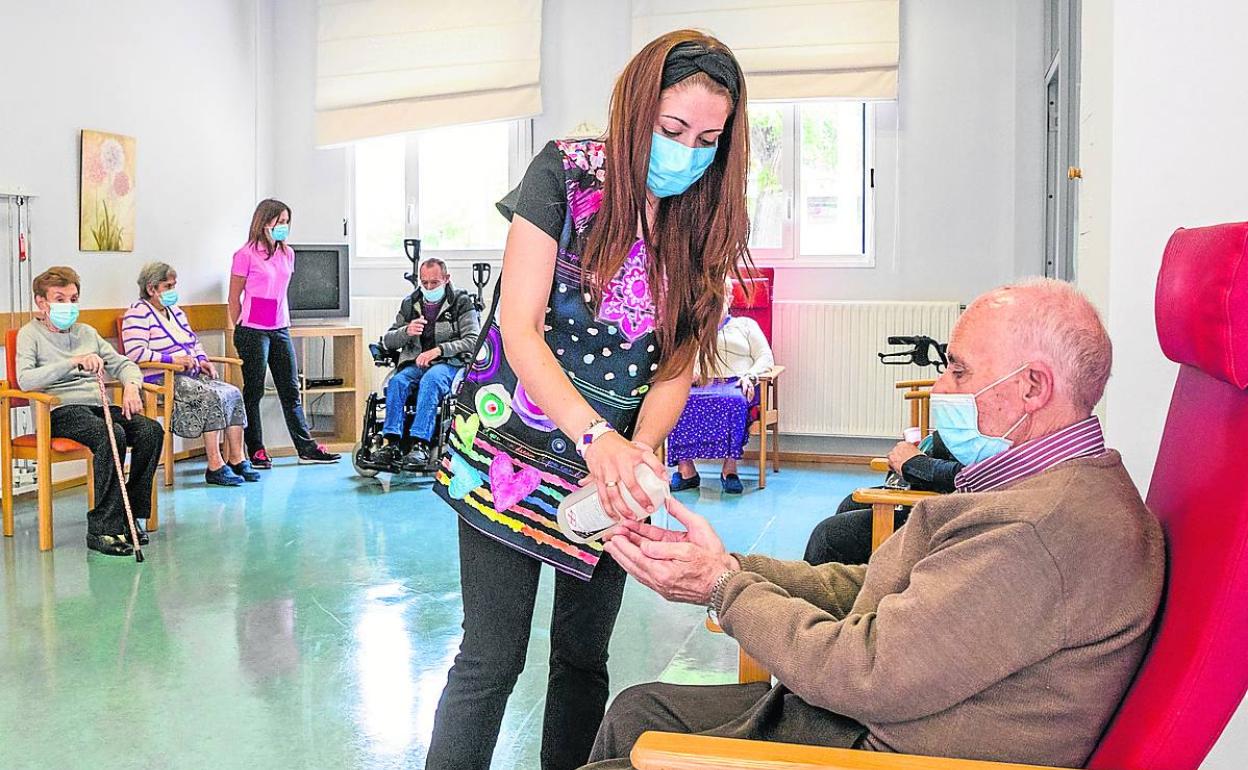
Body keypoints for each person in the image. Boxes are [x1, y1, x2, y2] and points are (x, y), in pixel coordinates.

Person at [584, 278, 1165, 770]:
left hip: (876, 748)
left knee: (624, 752)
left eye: (959, 372)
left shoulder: (1037, 534)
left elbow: (863, 672)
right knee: (635, 710)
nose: (940, 389)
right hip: (878, 721)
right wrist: (730, 565)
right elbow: (873, 591)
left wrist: (721, 590)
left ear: (1033, 386)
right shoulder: (1035, 486)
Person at [426, 31, 752, 770]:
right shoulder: (565, 176)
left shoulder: (703, 219)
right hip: (510, 445)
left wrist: (636, 450)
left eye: (707, 139)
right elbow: (519, 325)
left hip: (610, 476)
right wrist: (596, 436)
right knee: (491, 659)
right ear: (638, 110)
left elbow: (674, 368)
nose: (687, 152)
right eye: (672, 131)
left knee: (582, 658)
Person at [15, 267, 165, 556]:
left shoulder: (87, 332)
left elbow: (123, 363)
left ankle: (128, 514)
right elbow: (25, 380)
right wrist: (73, 362)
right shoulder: (29, 335)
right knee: (112, 434)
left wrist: (132, 385)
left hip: (100, 406)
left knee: (150, 430)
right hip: (61, 410)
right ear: (41, 302)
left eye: (73, 299)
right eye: (60, 299)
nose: (68, 306)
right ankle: (102, 528)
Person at [122, 261, 257, 487]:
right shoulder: (137, 314)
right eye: (168, 286)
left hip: (191, 375)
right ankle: (215, 465)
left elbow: (193, 342)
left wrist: (202, 360)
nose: (173, 291)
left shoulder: (176, 313)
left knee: (233, 392)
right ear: (151, 289)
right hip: (160, 379)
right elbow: (135, 353)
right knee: (210, 396)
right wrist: (173, 360)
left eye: (174, 285)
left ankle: (236, 458)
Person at [227, 198, 339, 468]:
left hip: (279, 327)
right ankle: (256, 449)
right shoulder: (245, 255)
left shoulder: (287, 254)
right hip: (253, 330)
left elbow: (279, 292)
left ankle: (306, 447)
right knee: (253, 391)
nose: (284, 227)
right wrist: (240, 328)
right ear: (264, 222)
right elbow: (234, 298)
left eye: (287, 222)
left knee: (290, 389)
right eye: (280, 222)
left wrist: (278, 322)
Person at [373, 257, 480, 470]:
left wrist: (439, 350)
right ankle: (392, 442)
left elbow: (473, 340)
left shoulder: (461, 302)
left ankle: (420, 444)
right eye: (425, 283)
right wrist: (406, 331)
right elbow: (387, 339)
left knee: (431, 381)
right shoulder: (410, 303)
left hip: (449, 363)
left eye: (434, 283)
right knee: (397, 382)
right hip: (416, 362)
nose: (429, 287)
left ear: (446, 279)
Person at [667, 283, 773, 494]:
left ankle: (730, 469)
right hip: (703, 384)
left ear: (730, 300)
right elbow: (682, 359)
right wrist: (691, 370)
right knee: (678, 401)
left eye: (719, 297)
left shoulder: (746, 325)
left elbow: (765, 356)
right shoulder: (694, 328)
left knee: (733, 401)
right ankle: (686, 470)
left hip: (736, 383)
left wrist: (750, 376)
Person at [803, 431, 962, 565]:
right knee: (851, 504)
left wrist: (919, 465)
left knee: (828, 536)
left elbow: (973, 475)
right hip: (948, 484)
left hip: (961, 506)